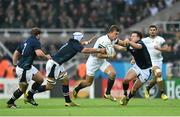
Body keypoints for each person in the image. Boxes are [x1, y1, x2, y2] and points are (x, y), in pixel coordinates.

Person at [32, 32, 106, 106]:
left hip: (57, 64)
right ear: (78, 38)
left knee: (65, 80)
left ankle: (68, 101)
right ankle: (30, 93)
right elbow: (85, 51)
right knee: (49, 87)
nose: (82, 39)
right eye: (82, 38)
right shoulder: (75, 44)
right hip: (54, 65)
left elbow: (80, 45)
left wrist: (87, 42)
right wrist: (99, 50)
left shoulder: (72, 42)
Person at [73, 25, 121, 101]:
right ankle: (77, 89)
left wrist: (128, 44)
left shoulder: (113, 39)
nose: (117, 36)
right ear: (110, 32)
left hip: (102, 62)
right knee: (88, 83)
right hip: (93, 61)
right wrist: (109, 55)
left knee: (113, 73)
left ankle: (107, 94)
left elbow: (121, 43)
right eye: (116, 34)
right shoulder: (103, 40)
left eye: (118, 34)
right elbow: (98, 55)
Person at [7, 27, 51, 108]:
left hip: (27, 66)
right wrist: (47, 56)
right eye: (39, 35)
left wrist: (14, 64)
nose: (40, 36)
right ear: (38, 35)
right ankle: (10, 103)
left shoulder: (25, 41)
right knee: (22, 88)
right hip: (24, 69)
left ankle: (29, 96)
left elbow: (16, 53)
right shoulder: (35, 41)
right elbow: (39, 54)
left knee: (40, 79)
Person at [116, 31, 152, 105]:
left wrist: (128, 41)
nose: (131, 37)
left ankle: (128, 99)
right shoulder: (130, 44)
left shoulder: (141, 43)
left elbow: (137, 46)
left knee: (134, 89)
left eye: (133, 36)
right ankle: (125, 95)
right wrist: (113, 42)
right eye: (131, 36)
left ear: (138, 37)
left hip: (146, 70)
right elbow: (120, 47)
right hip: (137, 66)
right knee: (126, 80)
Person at [143, 25, 170, 100]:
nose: (152, 31)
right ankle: (162, 93)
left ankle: (147, 88)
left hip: (159, 61)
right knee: (159, 73)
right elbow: (138, 48)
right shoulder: (145, 40)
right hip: (150, 62)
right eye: (151, 30)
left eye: (154, 30)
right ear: (149, 31)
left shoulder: (161, 39)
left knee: (156, 79)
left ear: (156, 31)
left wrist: (160, 49)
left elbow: (167, 49)